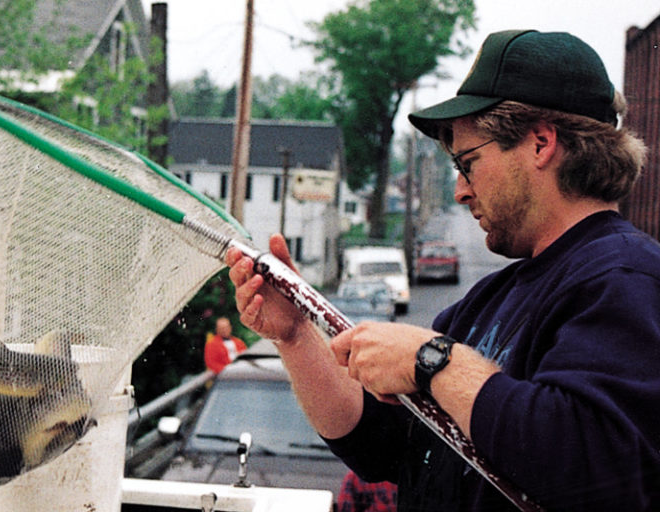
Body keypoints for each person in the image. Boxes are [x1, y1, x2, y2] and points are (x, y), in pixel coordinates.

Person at [225, 29, 660, 511]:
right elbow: (381, 446)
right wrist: (295, 335)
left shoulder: (625, 277)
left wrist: (433, 361)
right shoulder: (487, 301)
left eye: (468, 162)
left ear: (540, 143)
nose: (460, 191)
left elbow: (595, 468)